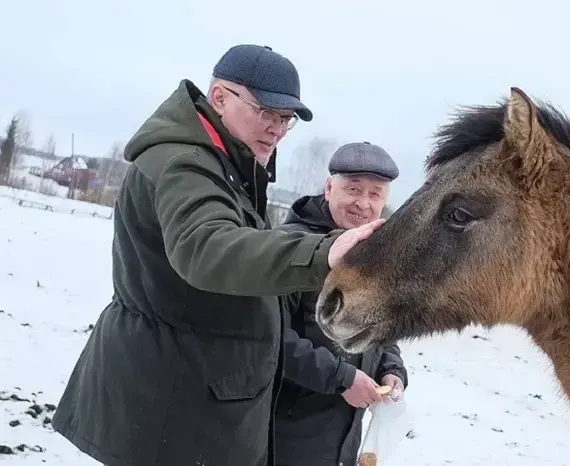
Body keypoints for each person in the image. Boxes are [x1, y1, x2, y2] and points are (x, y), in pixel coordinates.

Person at [50, 45, 385, 466]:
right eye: (266, 112)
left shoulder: (228, 167)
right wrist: (324, 253)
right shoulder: (184, 163)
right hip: (169, 406)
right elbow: (208, 248)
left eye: (285, 120)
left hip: (197, 399)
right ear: (220, 97)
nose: (277, 129)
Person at [273, 141, 409, 466]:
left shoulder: (375, 255)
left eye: (375, 194)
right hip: (285, 437)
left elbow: (381, 333)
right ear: (329, 187)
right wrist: (341, 378)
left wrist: (392, 371)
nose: (363, 204)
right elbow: (269, 339)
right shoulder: (289, 248)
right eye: (353, 189)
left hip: (344, 440)